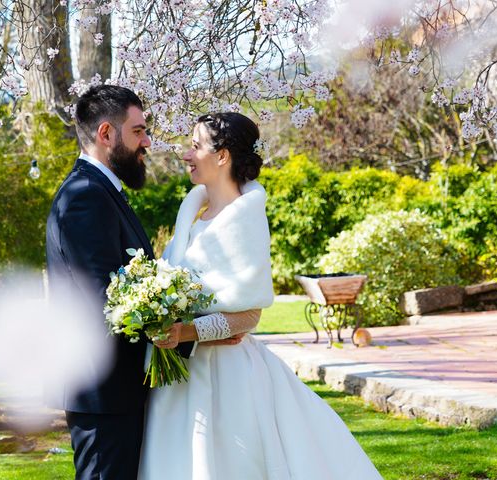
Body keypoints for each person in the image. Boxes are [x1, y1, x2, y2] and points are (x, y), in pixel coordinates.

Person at [139, 112, 382, 479]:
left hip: (228, 377)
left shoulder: (245, 218)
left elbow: (249, 315)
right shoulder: (191, 215)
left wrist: (185, 333)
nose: (186, 156)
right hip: (181, 377)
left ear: (222, 156)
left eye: (195, 147)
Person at [45, 85, 234, 479]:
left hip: (120, 389)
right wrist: (194, 330)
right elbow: (107, 298)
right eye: (138, 131)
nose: (147, 141)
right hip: (103, 390)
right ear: (106, 135)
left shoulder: (104, 192)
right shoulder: (84, 196)